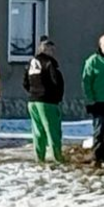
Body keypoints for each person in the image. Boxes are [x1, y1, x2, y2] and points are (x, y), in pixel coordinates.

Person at [24, 36, 64, 164]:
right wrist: (56, 96)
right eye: (51, 50)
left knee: (38, 131)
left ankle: (39, 158)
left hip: (32, 101)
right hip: (47, 102)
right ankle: (57, 158)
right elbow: (55, 81)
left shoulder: (31, 63)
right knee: (52, 131)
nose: (53, 53)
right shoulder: (49, 63)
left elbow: (25, 82)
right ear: (46, 50)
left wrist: (33, 91)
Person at [82, 35, 104, 166]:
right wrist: (90, 98)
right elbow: (86, 81)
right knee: (99, 130)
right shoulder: (93, 61)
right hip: (99, 102)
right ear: (101, 46)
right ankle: (97, 156)